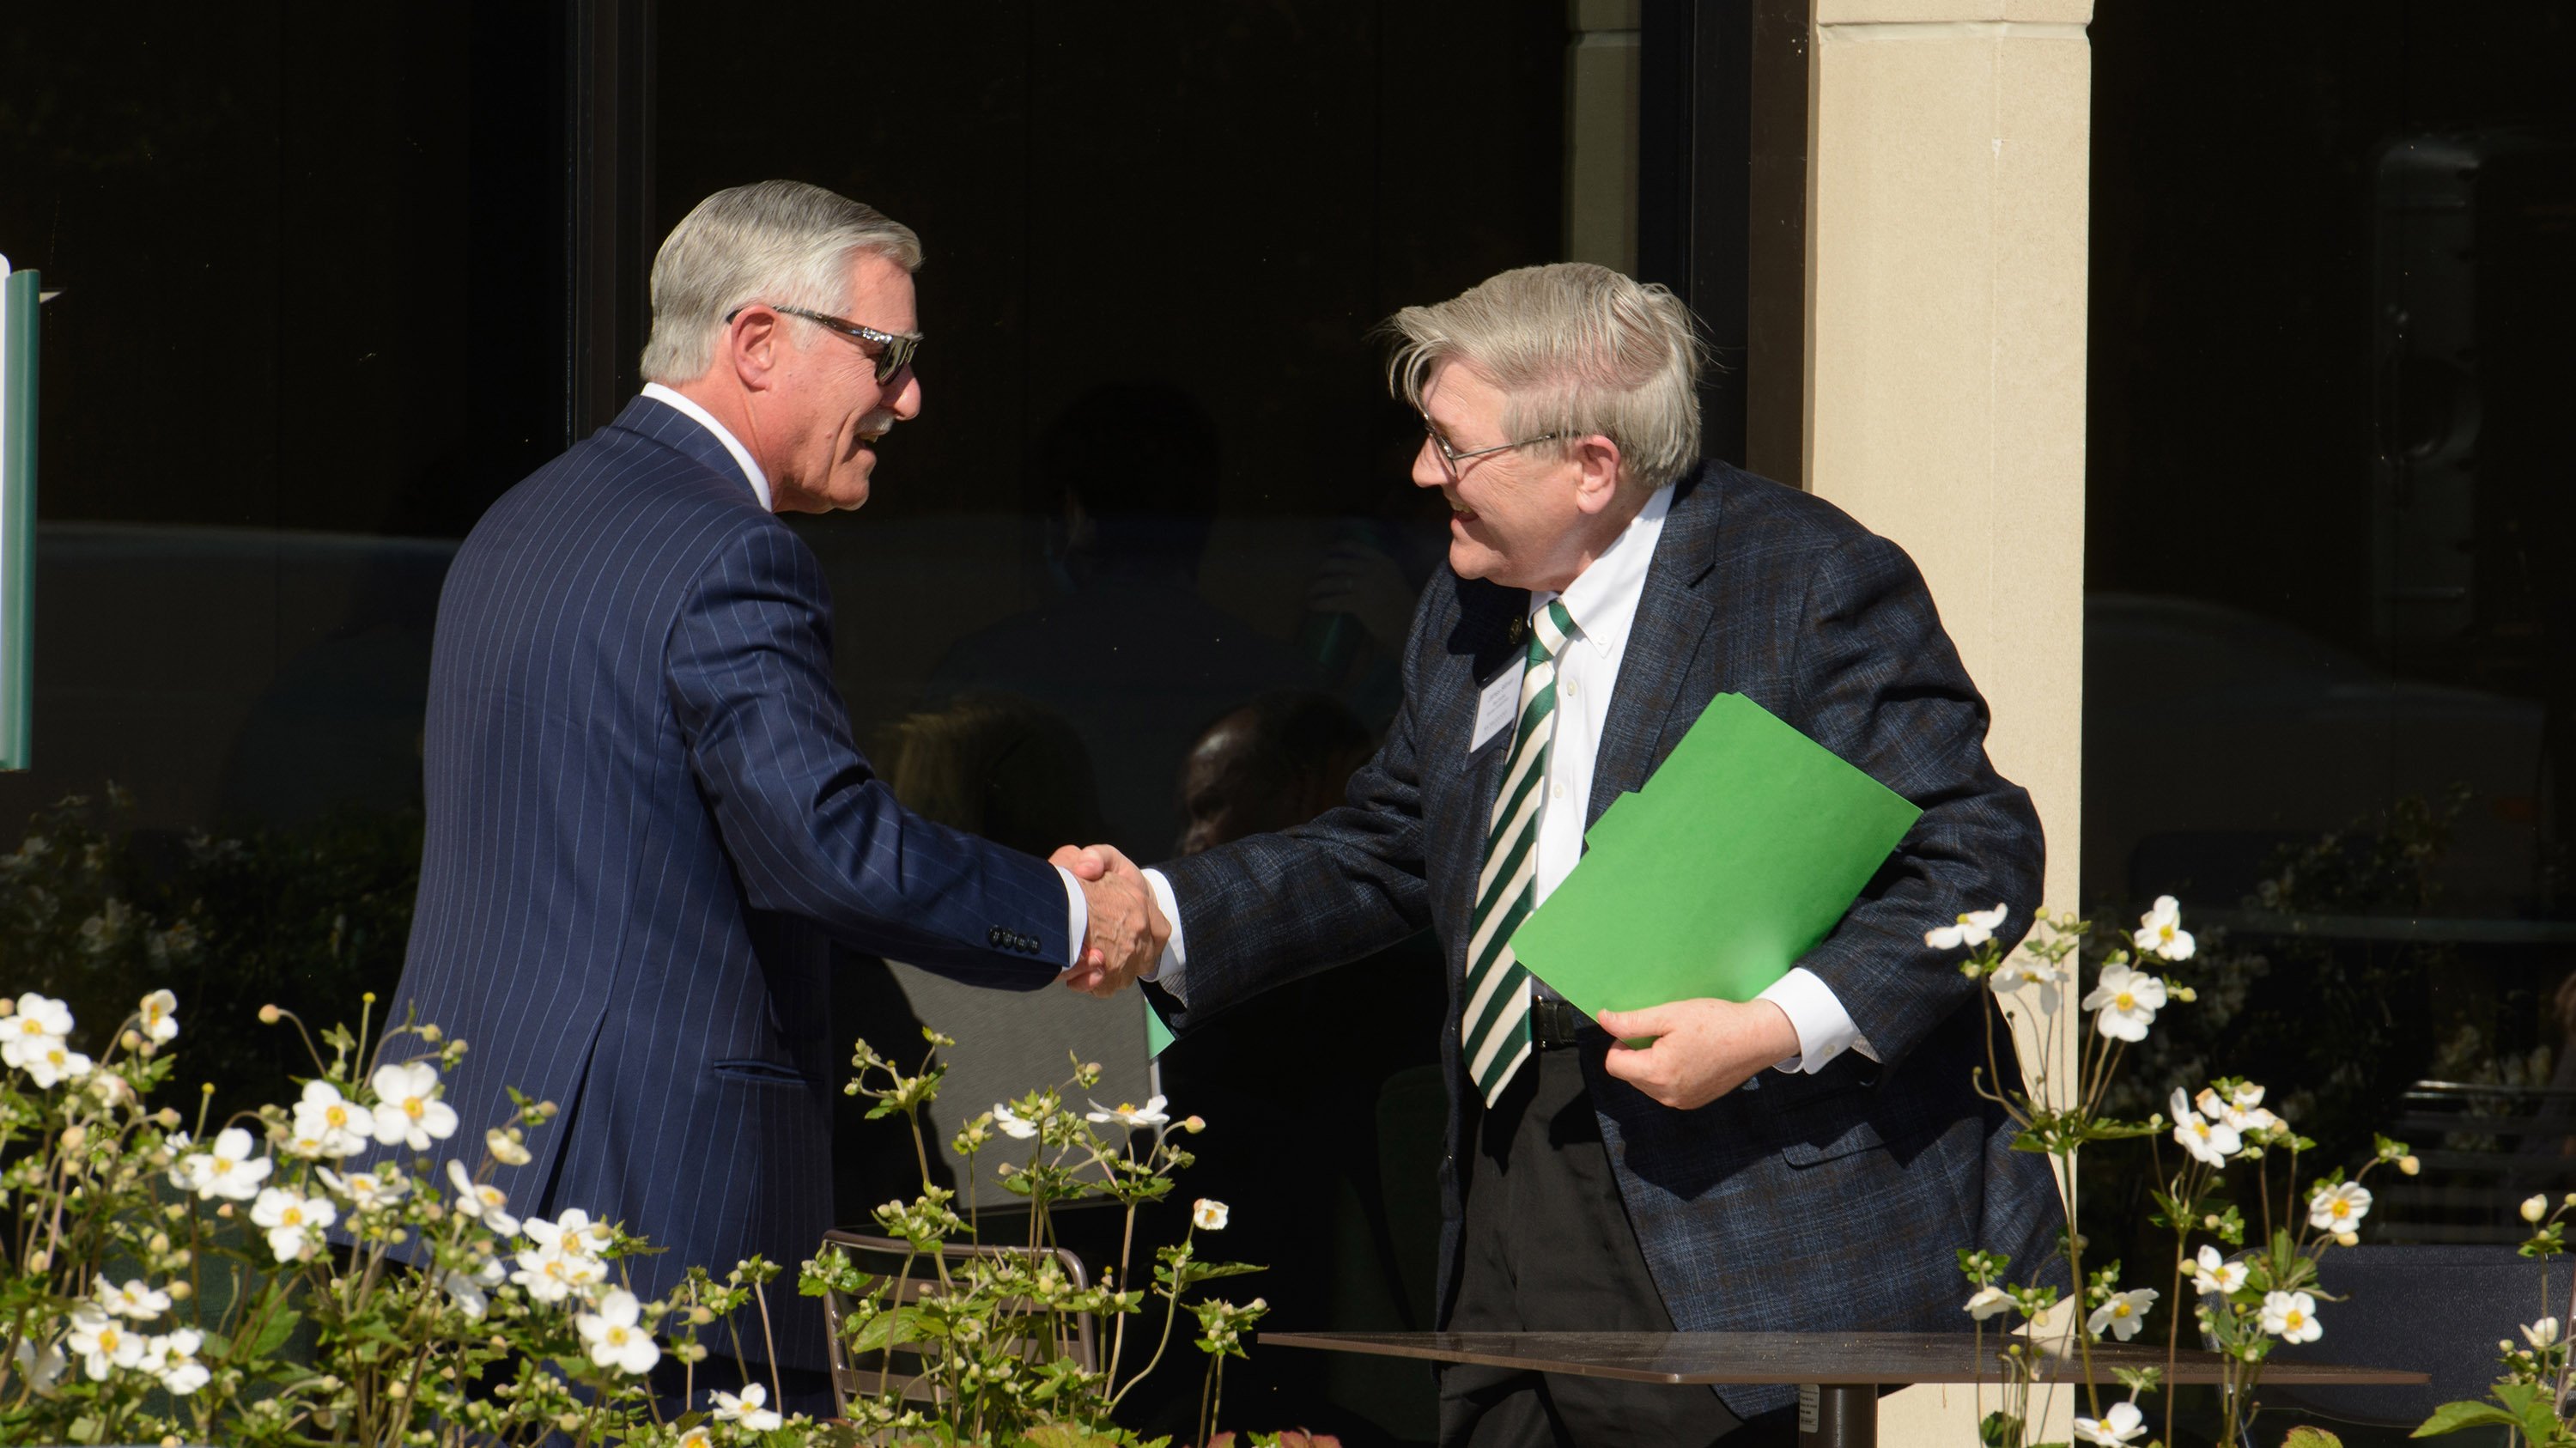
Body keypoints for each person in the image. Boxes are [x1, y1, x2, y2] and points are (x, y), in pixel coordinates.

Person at [1082, 263, 2065, 1446]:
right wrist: (1162, 910)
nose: (1421, 474)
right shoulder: (1469, 608)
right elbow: (1387, 844)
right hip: (1508, 1160)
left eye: (1455, 447)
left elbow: (1977, 853)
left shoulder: (1801, 583)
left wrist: (1768, 1028)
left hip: (1723, 1180)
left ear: (1592, 465)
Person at [385, 179, 1165, 1414]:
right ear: (756, 341)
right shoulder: (731, 551)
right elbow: (826, 845)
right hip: (656, 1221)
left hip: (458, 1191)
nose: (909, 399)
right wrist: (1070, 916)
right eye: (888, 356)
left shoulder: (520, 521)